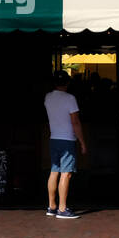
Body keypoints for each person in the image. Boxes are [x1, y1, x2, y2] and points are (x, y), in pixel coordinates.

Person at [44, 70, 87, 218]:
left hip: (54, 138)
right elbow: (75, 122)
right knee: (66, 174)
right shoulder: (70, 98)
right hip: (67, 139)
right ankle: (62, 209)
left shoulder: (48, 97)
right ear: (68, 83)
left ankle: (52, 206)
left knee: (54, 171)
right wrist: (82, 142)